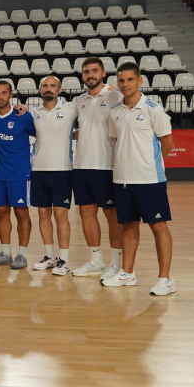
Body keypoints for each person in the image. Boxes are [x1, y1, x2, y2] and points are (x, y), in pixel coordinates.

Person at [102, 63, 176, 295]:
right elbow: (115, 142)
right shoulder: (114, 112)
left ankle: (165, 279)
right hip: (122, 179)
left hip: (149, 181)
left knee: (158, 227)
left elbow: (168, 144)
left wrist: (149, 167)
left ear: (140, 81)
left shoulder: (154, 110)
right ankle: (127, 272)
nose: (125, 85)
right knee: (128, 227)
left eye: (130, 80)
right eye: (121, 80)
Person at [71, 57, 124, 278]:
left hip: (106, 166)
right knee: (86, 212)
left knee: (112, 214)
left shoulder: (115, 96)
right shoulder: (78, 100)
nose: (90, 75)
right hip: (82, 165)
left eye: (94, 71)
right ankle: (96, 259)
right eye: (86, 72)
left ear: (103, 73)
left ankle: (117, 262)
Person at [29, 76, 77, 275]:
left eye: (52, 86)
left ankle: (63, 260)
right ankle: (49, 256)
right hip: (39, 170)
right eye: (45, 86)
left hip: (62, 170)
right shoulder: (33, 113)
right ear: (40, 90)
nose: (48, 89)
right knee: (43, 214)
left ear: (59, 89)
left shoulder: (71, 109)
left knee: (60, 215)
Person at [0, 80, 34, 269]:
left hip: (18, 174)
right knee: (1, 212)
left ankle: (22, 254)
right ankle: (5, 252)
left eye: (4, 93)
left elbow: (41, 134)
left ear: (10, 94)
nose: (0, 96)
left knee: (21, 212)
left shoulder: (22, 116)